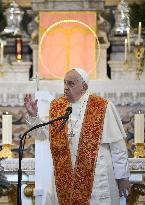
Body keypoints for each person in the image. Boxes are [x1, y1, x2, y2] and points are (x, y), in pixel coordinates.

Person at [24, 68, 130, 205]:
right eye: (64, 83)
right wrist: (33, 116)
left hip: (96, 177)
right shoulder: (58, 106)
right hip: (66, 179)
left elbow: (118, 146)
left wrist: (122, 178)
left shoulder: (102, 106)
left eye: (71, 84)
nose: (66, 88)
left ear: (84, 86)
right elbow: (42, 133)